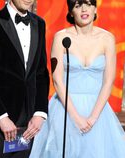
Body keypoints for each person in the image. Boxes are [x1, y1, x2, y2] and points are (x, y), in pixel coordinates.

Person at [29, 0, 125, 157]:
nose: (84, 9)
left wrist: (93, 118)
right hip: (65, 110)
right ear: (71, 12)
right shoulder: (61, 37)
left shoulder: (107, 38)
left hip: (98, 111)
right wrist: (76, 118)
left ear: (95, 9)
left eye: (88, 4)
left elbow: (108, 81)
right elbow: (57, 80)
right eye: (78, 5)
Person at [0, 0, 49, 157]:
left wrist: (40, 113)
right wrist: (1, 117)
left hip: (27, 124)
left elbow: (41, 73)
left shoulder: (39, 24)